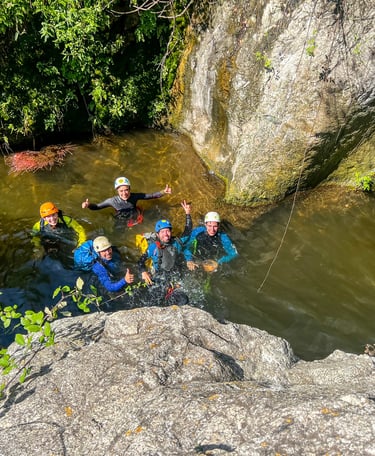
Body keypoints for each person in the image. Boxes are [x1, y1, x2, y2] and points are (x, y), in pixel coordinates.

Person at [137, 201, 192, 305]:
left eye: (168, 231)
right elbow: (140, 261)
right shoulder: (153, 247)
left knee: (183, 300)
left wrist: (188, 214)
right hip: (159, 277)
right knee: (152, 302)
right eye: (162, 232)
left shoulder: (177, 243)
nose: (166, 234)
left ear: (171, 232)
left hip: (175, 277)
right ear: (157, 234)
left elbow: (188, 231)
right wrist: (143, 272)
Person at [81, 176, 172, 226]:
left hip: (136, 215)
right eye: (121, 191)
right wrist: (88, 205)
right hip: (121, 218)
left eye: (126, 190)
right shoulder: (112, 201)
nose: (124, 193)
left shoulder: (134, 196)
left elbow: (151, 196)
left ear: (129, 189)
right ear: (117, 191)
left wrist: (163, 192)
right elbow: (97, 207)